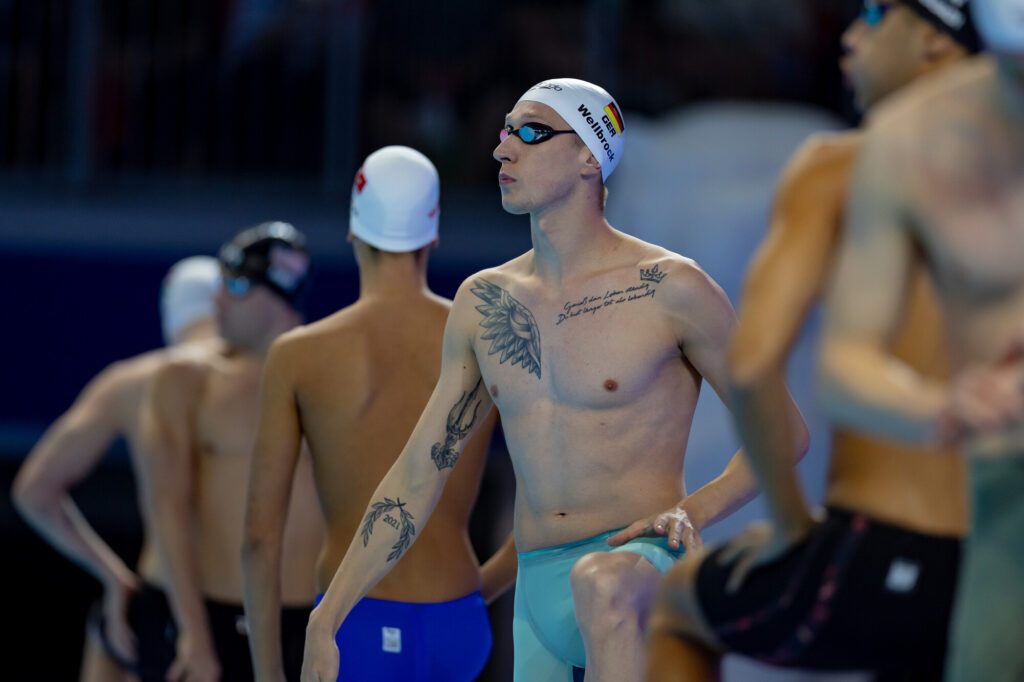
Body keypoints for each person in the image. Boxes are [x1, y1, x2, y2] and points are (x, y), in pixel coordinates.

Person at [300, 78, 808, 682]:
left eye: (531, 132)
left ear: (590, 156)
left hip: (636, 566)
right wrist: (327, 617)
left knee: (601, 585)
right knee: (583, 590)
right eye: (504, 131)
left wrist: (692, 511)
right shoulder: (484, 302)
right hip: (539, 586)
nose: (503, 149)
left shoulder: (672, 289)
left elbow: (784, 431)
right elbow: (419, 471)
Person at [646, 2, 980, 679]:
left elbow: (751, 364)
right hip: (996, 558)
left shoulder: (838, 166)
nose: (849, 37)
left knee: (672, 606)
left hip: (879, 547)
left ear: (934, 40)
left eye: (874, 13)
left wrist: (792, 523)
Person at [242, 146, 513, 682]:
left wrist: (269, 673)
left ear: (352, 230)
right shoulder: (488, 342)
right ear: (433, 235)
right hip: (457, 621)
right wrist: (467, 603)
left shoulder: (298, 356)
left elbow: (259, 536)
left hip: (354, 626)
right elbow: (552, 504)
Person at [818, 0, 1024, 678]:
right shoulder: (909, 140)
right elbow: (844, 362)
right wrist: (941, 407)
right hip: (1008, 495)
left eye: (876, 15)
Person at [12, 257, 222, 682]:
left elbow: (34, 491)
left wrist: (111, 576)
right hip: (257, 606)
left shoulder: (130, 383)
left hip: (162, 601)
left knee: (109, 640)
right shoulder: (265, 379)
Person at [140, 223, 324, 682]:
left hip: (310, 624)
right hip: (211, 618)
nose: (217, 299)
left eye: (235, 286)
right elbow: (167, 509)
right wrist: (193, 635)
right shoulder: (185, 380)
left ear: (278, 294)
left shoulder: (334, 377)